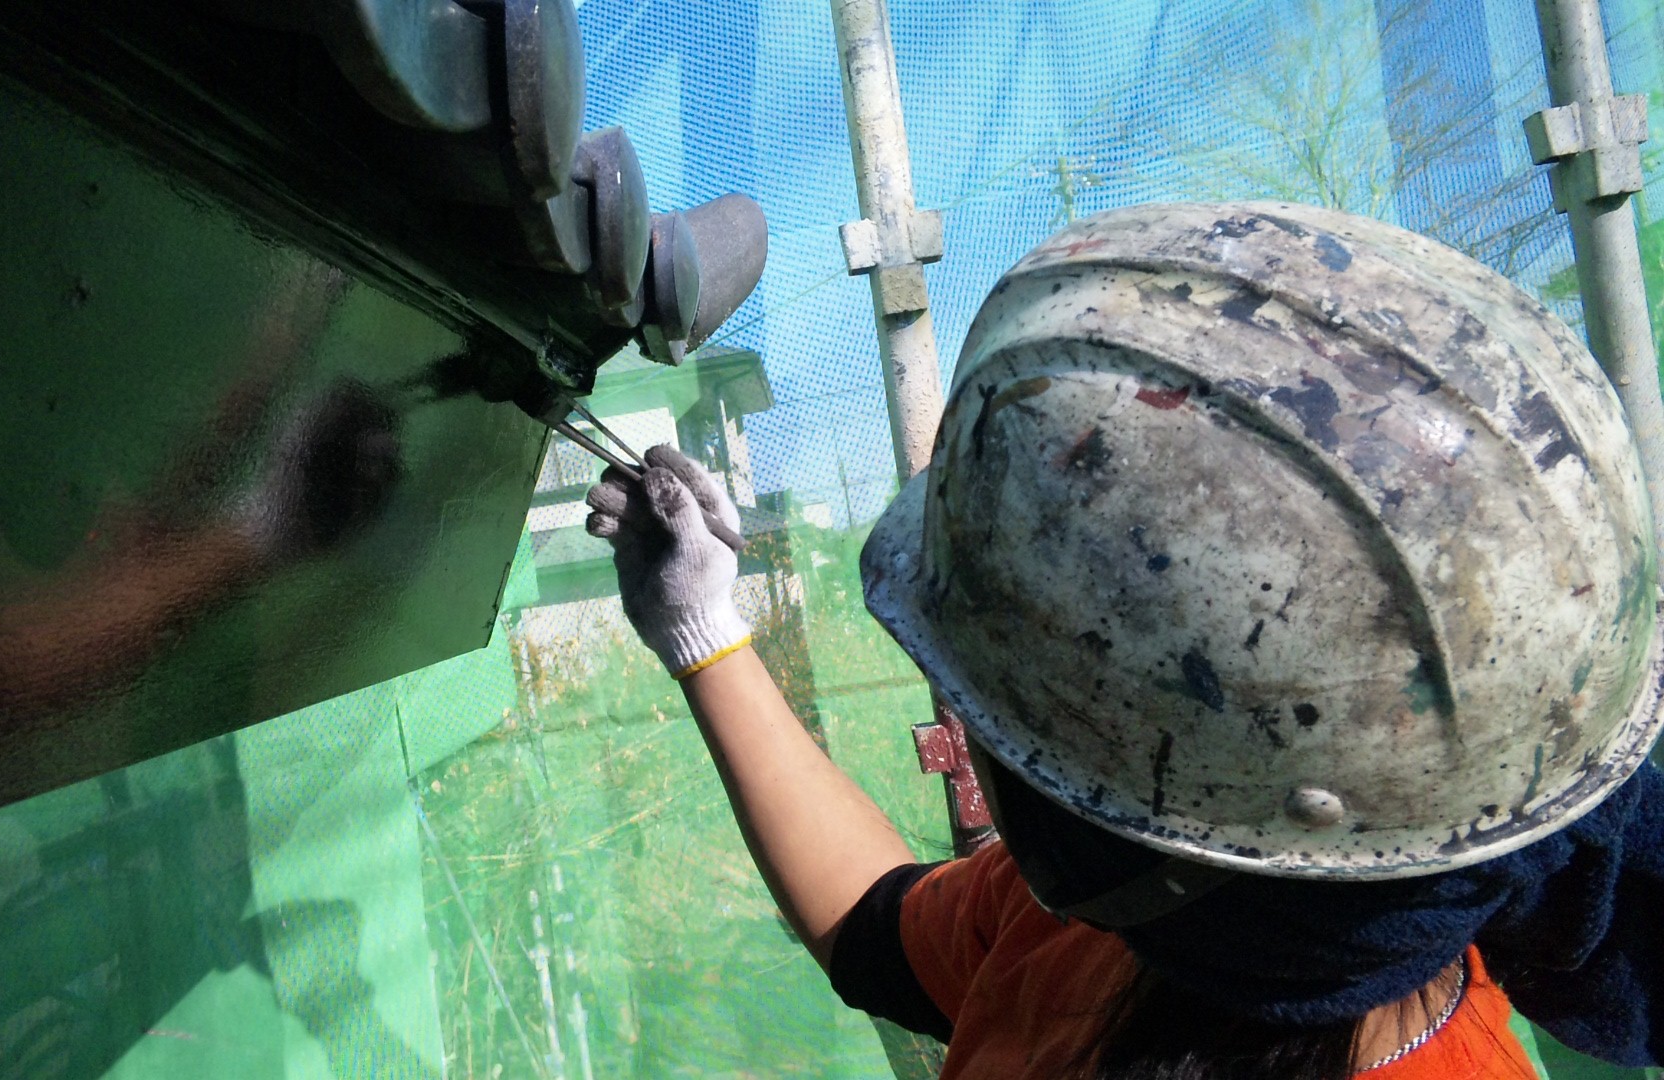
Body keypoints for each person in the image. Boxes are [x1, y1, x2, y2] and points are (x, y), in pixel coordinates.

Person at [585, 201, 1664, 1079]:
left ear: (1109, 830)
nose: (970, 721)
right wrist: (703, 630)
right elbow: (877, 934)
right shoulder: (1133, 932)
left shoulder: (1127, 929)